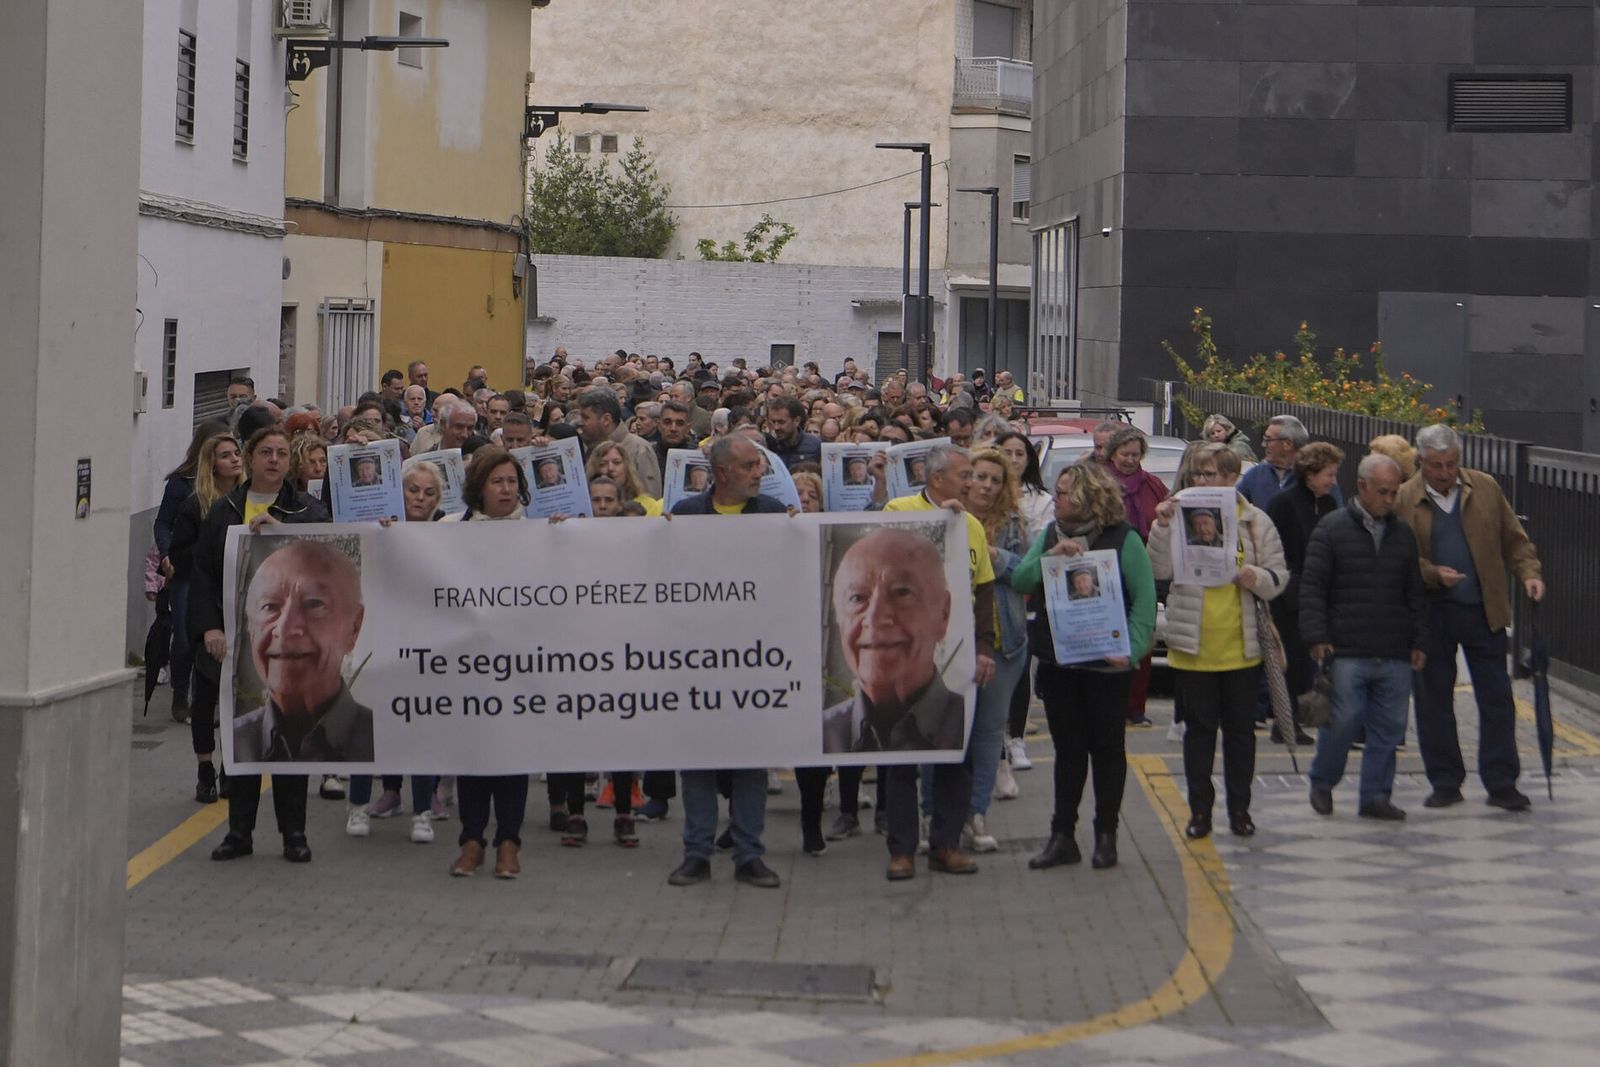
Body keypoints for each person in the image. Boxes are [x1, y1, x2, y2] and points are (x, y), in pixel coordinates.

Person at [190, 427, 331, 863]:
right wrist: (209, 629)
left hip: (293, 648)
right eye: (265, 452)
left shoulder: (306, 509)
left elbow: (327, 560)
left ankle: (294, 834)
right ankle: (239, 833)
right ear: (250, 459)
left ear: (290, 462)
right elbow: (204, 576)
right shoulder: (226, 510)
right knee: (243, 741)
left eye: (282, 453)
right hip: (238, 645)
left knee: (289, 741)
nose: (274, 460)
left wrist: (282, 530)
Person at [1010, 461, 1156, 870]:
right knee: (1068, 750)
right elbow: (1020, 581)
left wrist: (1131, 649)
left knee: (1107, 749)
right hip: (1062, 662)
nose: (1054, 498)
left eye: (1063, 491)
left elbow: (1144, 602)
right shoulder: (1052, 534)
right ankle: (1062, 835)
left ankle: (1106, 834)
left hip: (1107, 665)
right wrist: (1049, 558)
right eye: (1056, 491)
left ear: (1088, 496)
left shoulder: (1124, 539)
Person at [1396, 424, 1544, 812]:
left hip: (1483, 609)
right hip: (1433, 613)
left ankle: (1501, 782)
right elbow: (1401, 560)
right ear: (1421, 461)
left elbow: (1514, 540)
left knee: (1497, 697)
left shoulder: (1485, 488)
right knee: (1433, 700)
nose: (1445, 473)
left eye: (1451, 464)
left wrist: (1529, 575)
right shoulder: (1405, 498)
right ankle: (1445, 781)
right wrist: (1432, 573)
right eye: (1436, 465)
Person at [666, 435, 787, 889]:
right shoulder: (685, 516)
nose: (760, 473)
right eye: (749, 466)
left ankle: (748, 853)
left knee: (750, 763)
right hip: (698, 661)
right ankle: (696, 853)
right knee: (698, 761)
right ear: (721, 473)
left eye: (760, 465)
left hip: (755, 660)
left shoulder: (775, 516)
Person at [1150, 445, 1288, 839]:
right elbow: (1158, 569)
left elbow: (1279, 576)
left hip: (1241, 647)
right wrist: (1161, 527)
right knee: (1199, 735)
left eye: (1211, 475)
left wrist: (1256, 578)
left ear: (1231, 478)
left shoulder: (1254, 521)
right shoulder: (1179, 516)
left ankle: (1240, 809)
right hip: (1194, 645)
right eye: (1197, 475)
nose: (1202, 482)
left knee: (1242, 735)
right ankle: (1200, 812)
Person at [878, 444, 997, 880]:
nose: (973, 484)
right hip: (904, 658)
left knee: (954, 755)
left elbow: (983, 592)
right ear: (936, 478)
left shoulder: (974, 527)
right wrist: (935, 524)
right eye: (966, 476)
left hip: (956, 657)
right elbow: (889, 565)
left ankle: (946, 844)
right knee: (900, 757)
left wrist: (986, 647)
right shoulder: (898, 508)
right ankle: (902, 849)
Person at [1301, 454, 1427, 821]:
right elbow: (1313, 587)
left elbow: (1415, 592)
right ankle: (1323, 781)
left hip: (1393, 648)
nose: (1389, 500)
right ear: (1362, 487)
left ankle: (1375, 795)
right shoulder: (1332, 529)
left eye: (1394, 492)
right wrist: (1317, 635)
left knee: (1389, 727)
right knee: (1344, 719)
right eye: (1383, 492)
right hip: (1346, 647)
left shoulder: (1402, 534)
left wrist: (1420, 641)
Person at [441, 447, 533, 878]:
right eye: (497, 482)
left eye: (512, 481)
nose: (506, 489)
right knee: (473, 758)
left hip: (518, 670)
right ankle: (472, 840)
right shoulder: (448, 531)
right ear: (479, 487)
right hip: (466, 669)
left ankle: (509, 842)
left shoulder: (539, 536)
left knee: (512, 759)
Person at [952, 447, 1031, 849]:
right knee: (947, 731)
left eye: (995, 480)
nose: (985, 485)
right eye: (979, 476)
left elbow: (1028, 573)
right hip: (951, 641)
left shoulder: (1014, 523)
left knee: (986, 734)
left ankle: (976, 814)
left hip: (1004, 642)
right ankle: (938, 815)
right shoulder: (947, 517)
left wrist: (994, 557)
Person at [166, 433, 242, 802]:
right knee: (207, 692)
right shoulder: (198, 505)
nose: (234, 460)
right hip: (207, 601)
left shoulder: (249, 502)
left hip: (242, 604)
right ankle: (205, 768)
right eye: (225, 455)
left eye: (237, 453)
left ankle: (231, 766)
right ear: (212, 464)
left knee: (238, 694)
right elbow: (181, 555)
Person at [1266, 441, 1345, 746]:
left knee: (1312, 660)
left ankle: (1303, 717)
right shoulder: (1283, 503)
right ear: (1309, 474)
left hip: (1320, 593)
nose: (1333, 481)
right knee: (1292, 660)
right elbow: (1275, 548)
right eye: (1329, 474)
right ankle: (1286, 722)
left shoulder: (1328, 505)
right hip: (1289, 594)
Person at [154, 419, 231, 722]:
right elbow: (163, 522)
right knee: (186, 634)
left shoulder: (240, 489)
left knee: (212, 635)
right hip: (187, 571)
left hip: (220, 572)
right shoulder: (182, 484)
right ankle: (180, 692)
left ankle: (203, 699)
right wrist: (166, 553)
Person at [1102, 425, 1168, 726]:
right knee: (1109, 637)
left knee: (1142, 638)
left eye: (1135, 454)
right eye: (1124, 454)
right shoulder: (1099, 483)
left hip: (1142, 571)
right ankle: (1110, 703)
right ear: (1112, 453)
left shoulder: (1153, 485)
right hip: (1106, 570)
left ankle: (1136, 707)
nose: (1129, 459)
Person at [577, 387, 663, 498]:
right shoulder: (586, 447)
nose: (580, 423)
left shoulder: (639, 449)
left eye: (585, 418)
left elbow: (650, 503)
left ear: (606, 419)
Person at [1238, 415, 1323, 510]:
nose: (1263, 444)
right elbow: (1233, 505)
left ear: (1287, 444)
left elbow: (1333, 520)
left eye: (1268, 440)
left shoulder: (1317, 476)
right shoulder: (1255, 475)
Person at [584, 439, 663, 515]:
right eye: (603, 464)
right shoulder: (583, 508)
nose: (610, 468)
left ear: (627, 468)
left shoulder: (649, 505)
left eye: (616, 462)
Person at [766, 396, 822, 470]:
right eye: (773, 422)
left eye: (781, 422)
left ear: (796, 421)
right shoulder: (768, 446)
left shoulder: (815, 446)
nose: (776, 427)